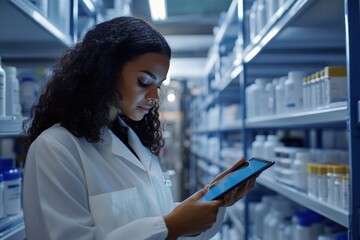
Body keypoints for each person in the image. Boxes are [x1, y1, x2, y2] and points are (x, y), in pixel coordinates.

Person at [21, 16, 256, 240]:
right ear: (106, 71)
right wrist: (170, 227)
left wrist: (211, 199)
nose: (154, 96)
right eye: (144, 81)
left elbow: (157, 219)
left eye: (159, 85)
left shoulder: (134, 142)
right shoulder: (55, 149)